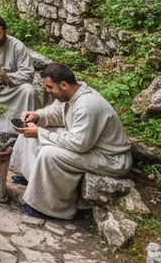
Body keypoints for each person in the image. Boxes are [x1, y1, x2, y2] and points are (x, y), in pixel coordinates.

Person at [12, 63, 132, 220]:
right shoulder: (69, 94)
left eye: (49, 87)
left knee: (49, 153)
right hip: (88, 145)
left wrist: (40, 133)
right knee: (31, 130)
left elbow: (78, 144)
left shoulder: (87, 106)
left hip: (109, 158)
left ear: (63, 84)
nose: (47, 91)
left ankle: (46, 207)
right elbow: (55, 111)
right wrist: (37, 116)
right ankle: (32, 177)